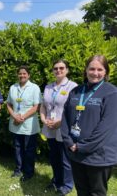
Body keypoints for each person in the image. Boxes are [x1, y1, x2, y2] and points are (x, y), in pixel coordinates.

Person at [61, 55, 117, 196]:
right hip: (75, 153)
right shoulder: (76, 91)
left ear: (106, 72)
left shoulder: (111, 92)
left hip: (98, 155)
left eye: (100, 69)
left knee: (97, 192)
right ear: (85, 70)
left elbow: (106, 128)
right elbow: (65, 119)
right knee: (82, 190)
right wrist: (69, 142)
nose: (95, 73)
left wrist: (81, 146)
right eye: (92, 68)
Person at [40, 60, 77, 195]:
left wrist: (60, 122)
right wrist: (44, 119)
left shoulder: (73, 87)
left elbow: (74, 111)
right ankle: (56, 180)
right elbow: (43, 106)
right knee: (54, 156)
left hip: (64, 127)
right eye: (55, 68)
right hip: (50, 127)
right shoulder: (48, 87)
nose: (58, 70)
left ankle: (67, 185)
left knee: (65, 159)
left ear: (67, 70)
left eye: (61, 68)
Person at [7, 65, 41, 182]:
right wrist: (14, 116)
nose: (22, 75)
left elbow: (36, 106)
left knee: (29, 149)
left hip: (29, 125)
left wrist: (22, 117)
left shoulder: (34, 88)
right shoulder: (13, 87)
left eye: (24, 73)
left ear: (29, 75)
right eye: (20, 73)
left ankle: (29, 172)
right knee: (17, 148)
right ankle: (18, 169)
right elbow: (9, 104)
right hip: (15, 124)